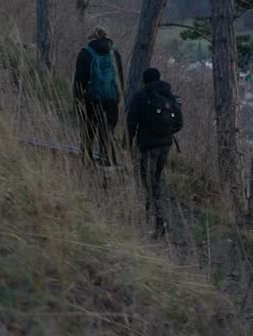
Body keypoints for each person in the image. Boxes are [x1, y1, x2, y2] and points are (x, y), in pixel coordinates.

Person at [127, 68, 183, 236]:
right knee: (155, 179)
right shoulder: (170, 96)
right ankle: (149, 213)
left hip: (147, 146)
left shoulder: (141, 96)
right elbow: (179, 124)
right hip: (165, 146)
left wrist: (126, 145)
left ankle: (159, 221)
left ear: (145, 81)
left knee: (148, 181)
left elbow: (131, 123)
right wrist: (165, 133)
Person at [73, 26, 124, 166]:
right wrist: (117, 99)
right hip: (111, 102)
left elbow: (79, 81)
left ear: (92, 38)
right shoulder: (115, 54)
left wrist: (77, 102)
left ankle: (85, 166)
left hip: (91, 102)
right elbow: (120, 80)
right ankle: (108, 167)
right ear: (107, 37)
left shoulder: (85, 53)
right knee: (107, 136)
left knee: (87, 136)